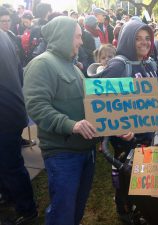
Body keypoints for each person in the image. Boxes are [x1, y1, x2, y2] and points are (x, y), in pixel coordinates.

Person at [23, 16, 100, 225]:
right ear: (64, 37)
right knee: (62, 213)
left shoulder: (74, 68)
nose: (81, 41)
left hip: (86, 151)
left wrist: (115, 125)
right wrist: (71, 125)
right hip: (63, 154)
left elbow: (90, 106)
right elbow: (37, 107)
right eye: (77, 36)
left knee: (76, 209)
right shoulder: (41, 64)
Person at [98, 19, 158, 223]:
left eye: (147, 38)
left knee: (142, 178)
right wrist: (120, 125)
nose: (144, 42)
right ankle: (125, 212)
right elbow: (101, 101)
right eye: (138, 39)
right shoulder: (118, 65)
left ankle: (141, 208)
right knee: (125, 180)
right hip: (126, 143)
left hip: (147, 137)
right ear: (127, 40)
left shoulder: (150, 63)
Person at [0, 29, 38, 225]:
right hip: (12, 108)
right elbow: (18, 72)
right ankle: (8, 196)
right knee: (8, 164)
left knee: (10, 165)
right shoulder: (4, 35)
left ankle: (27, 209)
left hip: (5, 114)